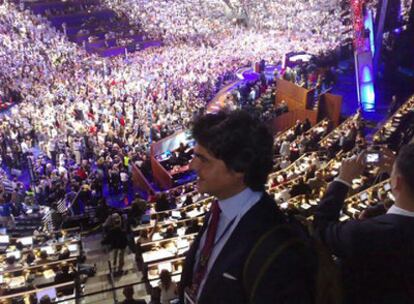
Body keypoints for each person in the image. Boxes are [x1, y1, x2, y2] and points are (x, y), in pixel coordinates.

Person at [180, 110, 315, 303]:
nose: (193, 166)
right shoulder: (220, 205)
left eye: (203, 159)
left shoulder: (277, 247)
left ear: (239, 168)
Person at [314, 145, 414, 303]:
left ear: (397, 183)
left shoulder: (366, 233)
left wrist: (343, 179)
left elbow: (321, 227)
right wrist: (401, 172)